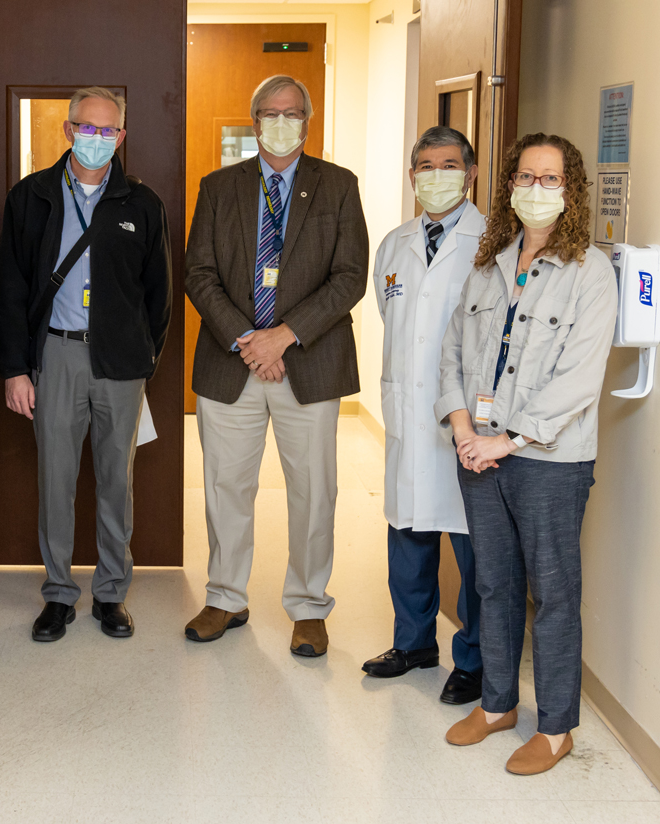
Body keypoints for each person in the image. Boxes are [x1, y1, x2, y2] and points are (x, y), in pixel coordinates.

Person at [437, 134, 616, 775]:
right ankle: (497, 704)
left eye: (551, 179)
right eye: (525, 177)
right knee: (493, 582)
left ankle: (559, 726)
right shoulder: (490, 263)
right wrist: (463, 427)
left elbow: (577, 380)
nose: (535, 190)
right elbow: (454, 352)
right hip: (478, 451)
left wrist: (504, 440)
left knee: (554, 591)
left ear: (570, 192)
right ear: (508, 184)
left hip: (548, 460)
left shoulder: (590, 273)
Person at [184, 75, 367, 655]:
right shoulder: (218, 187)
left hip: (308, 365)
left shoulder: (337, 186)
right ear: (255, 119)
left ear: (307, 122)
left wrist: (283, 337)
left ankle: (309, 606)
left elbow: (349, 277)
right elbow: (199, 273)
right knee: (225, 487)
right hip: (230, 363)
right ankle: (224, 598)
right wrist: (248, 339)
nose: (281, 121)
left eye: (292, 112)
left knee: (313, 491)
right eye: (270, 112)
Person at [0, 86, 172, 641]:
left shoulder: (142, 204)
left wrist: (144, 361)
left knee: (116, 480)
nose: (97, 139)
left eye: (108, 131)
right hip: (56, 352)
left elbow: (158, 296)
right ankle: (57, 594)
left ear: (121, 137)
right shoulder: (32, 197)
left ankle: (112, 593)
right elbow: (10, 288)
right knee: (56, 478)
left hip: (120, 362)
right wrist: (16, 368)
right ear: (69, 131)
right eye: (86, 128)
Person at [362, 126, 485, 705]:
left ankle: (475, 660)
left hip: (467, 419)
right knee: (408, 532)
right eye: (426, 166)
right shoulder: (394, 243)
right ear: (413, 176)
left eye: (449, 165)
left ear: (471, 174)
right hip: (409, 414)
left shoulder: (493, 244)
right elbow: (397, 330)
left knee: (474, 550)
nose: (436, 175)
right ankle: (413, 644)